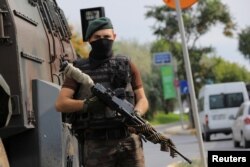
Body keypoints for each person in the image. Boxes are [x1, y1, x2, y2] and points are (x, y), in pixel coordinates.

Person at [55, 17, 149, 167]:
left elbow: (142, 99)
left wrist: (136, 115)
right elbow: (61, 104)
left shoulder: (127, 65)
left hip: (129, 141)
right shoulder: (79, 69)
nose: (103, 40)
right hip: (96, 144)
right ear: (89, 39)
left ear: (114, 37)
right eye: (97, 37)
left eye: (107, 37)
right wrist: (86, 105)